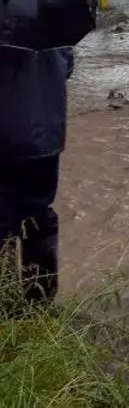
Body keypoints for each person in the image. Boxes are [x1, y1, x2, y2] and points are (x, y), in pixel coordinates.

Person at [1, 46, 74, 304]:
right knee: (38, 216)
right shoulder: (53, 13)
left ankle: (5, 305)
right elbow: (67, 68)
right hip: (43, 139)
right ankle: (39, 303)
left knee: (2, 223)